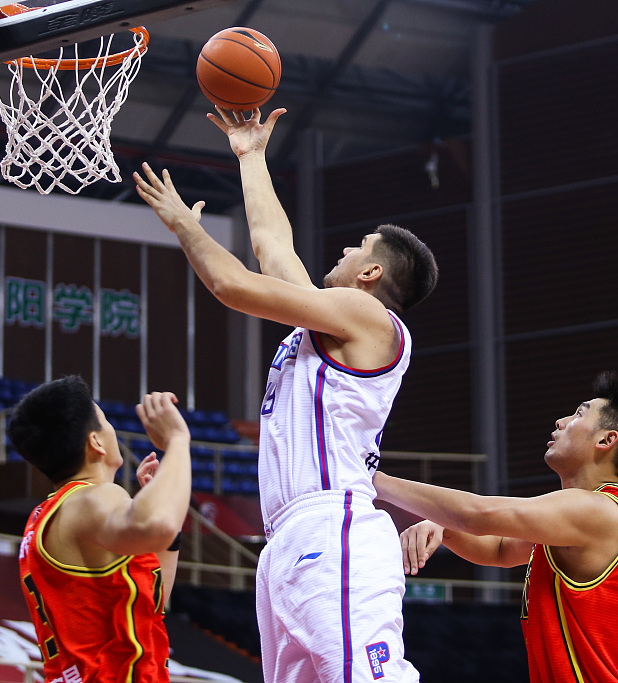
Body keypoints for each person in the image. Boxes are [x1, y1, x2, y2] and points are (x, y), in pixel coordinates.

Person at [133, 106, 438, 683]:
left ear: (371, 274)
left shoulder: (368, 319)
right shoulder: (330, 323)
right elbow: (272, 248)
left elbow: (232, 284)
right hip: (288, 539)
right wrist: (251, 156)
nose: (344, 251)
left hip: (333, 525)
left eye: (358, 247)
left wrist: (185, 227)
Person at [373, 372, 618, 683]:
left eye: (579, 414)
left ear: (606, 440)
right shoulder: (581, 519)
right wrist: (443, 527)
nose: (561, 422)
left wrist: (373, 479)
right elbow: (499, 549)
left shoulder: (597, 510)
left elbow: (477, 514)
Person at [8, 376, 192, 683]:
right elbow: (156, 524)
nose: (112, 430)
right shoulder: (91, 499)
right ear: (95, 442)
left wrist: (159, 512)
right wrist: (177, 440)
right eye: (106, 422)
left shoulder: (47, 515)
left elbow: (151, 604)